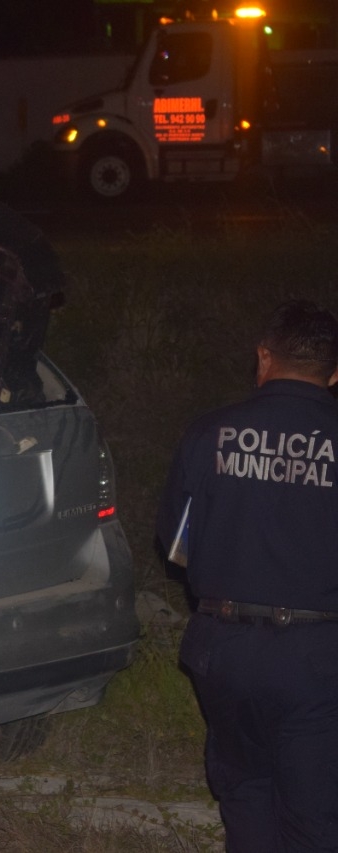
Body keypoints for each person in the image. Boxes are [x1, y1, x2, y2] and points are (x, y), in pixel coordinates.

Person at [158, 299, 338, 852]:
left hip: (226, 647)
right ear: (334, 373)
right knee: (314, 812)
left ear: (264, 358)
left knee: (247, 798)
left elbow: (175, 546)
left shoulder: (210, 433)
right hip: (319, 656)